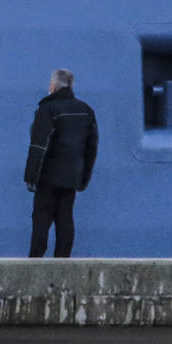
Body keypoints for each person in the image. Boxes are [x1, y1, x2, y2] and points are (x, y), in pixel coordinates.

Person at [25, 68, 99, 258]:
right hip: (71, 177)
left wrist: (31, 177)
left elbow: (38, 145)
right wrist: (83, 178)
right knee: (65, 218)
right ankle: (63, 263)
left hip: (48, 177)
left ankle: (35, 262)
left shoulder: (47, 109)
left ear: (53, 86)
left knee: (41, 219)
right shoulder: (86, 111)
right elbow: (91, 147)